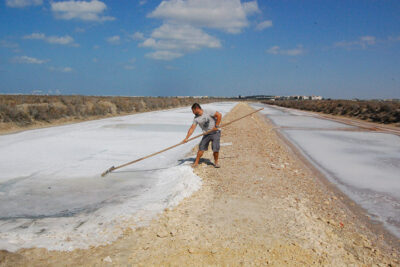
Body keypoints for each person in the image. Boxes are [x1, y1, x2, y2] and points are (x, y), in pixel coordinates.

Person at [182, 103, 222, 168]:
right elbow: (192, 128)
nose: (193, 112)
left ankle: (216, 162)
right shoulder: (196, 118)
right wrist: (186, 138)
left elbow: (219, 115)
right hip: (206, 133)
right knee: (201, 148)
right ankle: (196, 163)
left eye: (193, 111)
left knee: (215, 148)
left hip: (215, 132)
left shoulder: (208, 111)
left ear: (197, 109)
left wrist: (216, 126)